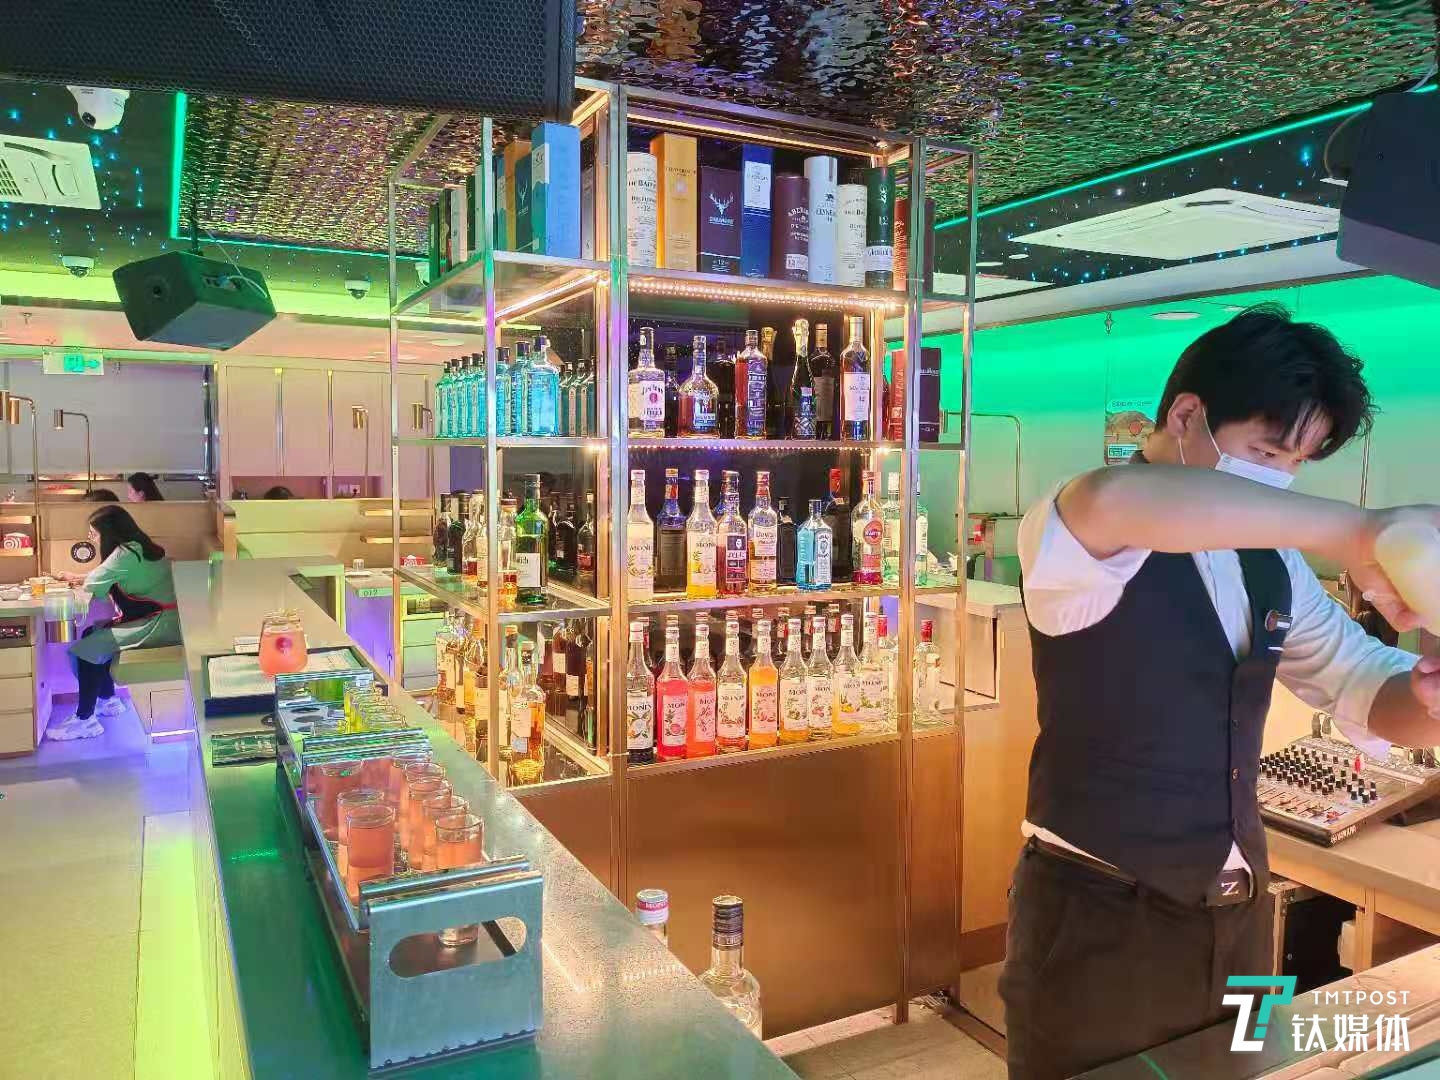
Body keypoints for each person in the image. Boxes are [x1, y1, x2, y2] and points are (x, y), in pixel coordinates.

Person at [1002, 305, 1440, 1079]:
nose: (1280, 480)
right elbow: (1114, 499)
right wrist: (1366, 532)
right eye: (1265, 451)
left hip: (1243, 919)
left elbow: (1365, 683)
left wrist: (1430, 700)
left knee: (1241, 1072)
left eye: (1296, 463)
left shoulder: (1273, 560)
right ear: (1185, 417)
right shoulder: (1078, 525)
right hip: (1101, 921)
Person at [46, 506, 180, 741]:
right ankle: (108, 700)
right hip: (163, 620)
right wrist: (79, 577)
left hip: (156, 626)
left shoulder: (125, 552)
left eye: (94, 534)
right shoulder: (138, 546)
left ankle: (85, 720)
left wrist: (83, 579)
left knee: (85, 650)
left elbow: (95, 586)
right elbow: (112, 574)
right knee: (91, 633)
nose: (92, 539)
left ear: (108, 533)